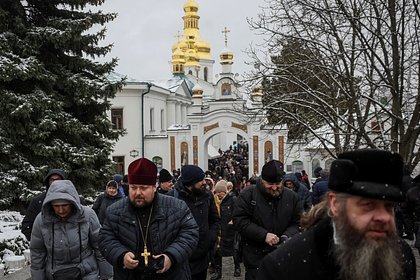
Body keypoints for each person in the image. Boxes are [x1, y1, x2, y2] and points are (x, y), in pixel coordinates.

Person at [257, 149, 417, 280]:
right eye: (368, 205)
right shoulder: (283, 266)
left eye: (389, 207)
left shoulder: (401, 256)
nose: (383, 217)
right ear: (335, 204)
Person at [99, 158, 199, 280]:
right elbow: (105, 238)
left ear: (154, 187)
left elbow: (190, 233)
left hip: (171, 275)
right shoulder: (114, 211)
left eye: (143, 188)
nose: (137, 193)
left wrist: (171, 256)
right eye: (133, 187)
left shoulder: (177, 207)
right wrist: (121, 255)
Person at [233, 160, 302, 280]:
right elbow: (240, 221)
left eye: (278, 183)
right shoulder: (248, 195)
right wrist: (264, 235)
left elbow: (299, 222)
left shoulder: (292, 197)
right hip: (256, 258)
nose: (274, 187)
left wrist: (287, 236)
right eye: (270, 184)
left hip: (284, 256)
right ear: (262, 181)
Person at [30, 180, 112, 280]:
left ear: (72, 203)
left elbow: (100, 246)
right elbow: (37, 252)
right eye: (56, 206)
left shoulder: (88, 216)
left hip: (87, 273)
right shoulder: (41, 220)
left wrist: (106, 275)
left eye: (64, 205)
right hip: (55, 274)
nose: (60, 210)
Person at [168, 164, 220, 280]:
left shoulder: (207, 196)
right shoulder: (171, 198)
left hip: (202, 258)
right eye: (200, 180)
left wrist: (210, 239)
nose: (204, 182)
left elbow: (215, 220)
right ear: (191, 183)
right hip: (181, 259)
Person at [22, 168, 66, 241]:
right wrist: (39, 242)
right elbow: (27, 225)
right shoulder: (38, 201)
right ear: (48, 182)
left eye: (58, 180)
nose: (55, 182)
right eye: (52, 180)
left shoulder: (74, 200)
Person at [211, 180, 238, 280]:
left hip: (230, 231)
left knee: (234, 250)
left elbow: (237, 214)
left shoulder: (233, 199)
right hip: (219, 230)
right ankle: (218, 271)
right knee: (216, 251)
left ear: (224, 191)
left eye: (220, 192)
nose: (218, 194)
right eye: (216, 192)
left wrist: (233, 222)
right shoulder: (214, 201)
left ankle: (237, 268)